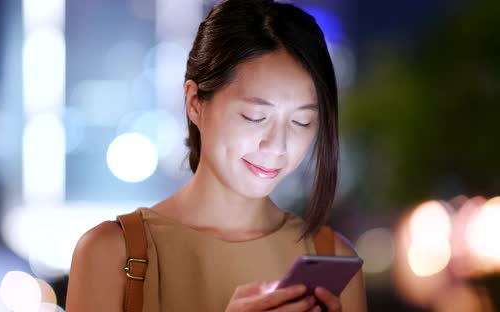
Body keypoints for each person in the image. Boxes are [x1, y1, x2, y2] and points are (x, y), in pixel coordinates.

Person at [66, 0, 367, 311]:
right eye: (254, 117)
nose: (278, 145)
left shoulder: (333, 258)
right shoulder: (111, 253)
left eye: (302, 122)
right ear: (195, 102)